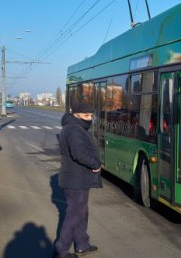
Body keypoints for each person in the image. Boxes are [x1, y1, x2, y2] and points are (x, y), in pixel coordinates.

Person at [54, 103, 102, 258]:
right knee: (74, 215)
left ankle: (82, 244)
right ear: (76, 115)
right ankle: (61, 250)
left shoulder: (73, 127)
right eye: (86, 116)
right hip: (75, 180)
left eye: (91, 116)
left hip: (77, 178)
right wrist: (95, 165)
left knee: (81, 212)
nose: (89, 119)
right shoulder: (74, 129)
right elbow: (79, 153)